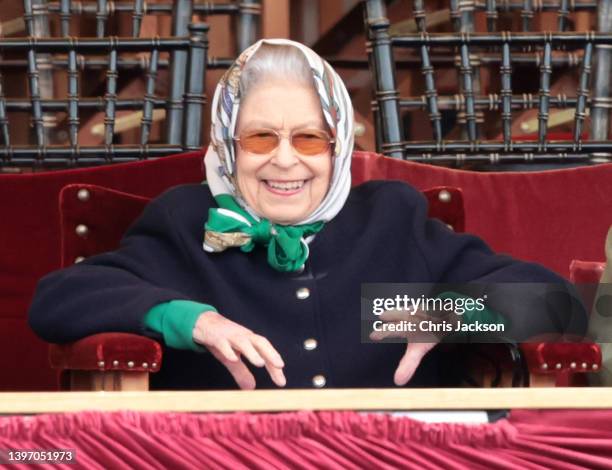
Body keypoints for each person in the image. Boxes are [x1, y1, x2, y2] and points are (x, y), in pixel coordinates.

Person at [28, 39, 586, 390]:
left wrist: (440, 315)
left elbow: (559, 304)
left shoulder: (392, 217)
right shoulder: (185, 219)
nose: (285, 160)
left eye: (311, 139)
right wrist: (188, 319)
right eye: (260, 137)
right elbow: (58, 299)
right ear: (227, 147)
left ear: (339, 145)